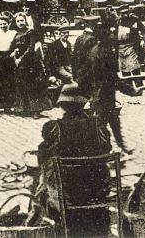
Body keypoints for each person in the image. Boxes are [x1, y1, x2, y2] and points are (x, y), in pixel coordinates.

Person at [34, 84, 112, 238]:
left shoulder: (54, 128)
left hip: (67, 194)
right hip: (96, 192)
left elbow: (42, 156)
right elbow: (106, 148)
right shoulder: (98, 126)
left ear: (62, 105)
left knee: (41, 186)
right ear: (84, 104)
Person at [79, 14, 133, 155]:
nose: (112, 36)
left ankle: (121, 146)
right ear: (105, 37)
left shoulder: (98, 49)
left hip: (102, 93)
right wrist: (131, 90)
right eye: (110, 34)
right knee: (102, 124)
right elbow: (112, 78)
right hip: (103, 94)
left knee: (114, 122)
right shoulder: (103, 53)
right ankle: (104, 152)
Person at [10, 12, 51, 117]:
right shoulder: (17, 34)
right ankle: (24, 109)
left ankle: (35, 111)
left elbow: (31, 48)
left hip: (31, 63)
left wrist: (21, 59)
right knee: (22, 85)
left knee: (32, 86)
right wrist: (14, 52)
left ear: (25, 21)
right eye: (18, 21)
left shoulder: (31, 32)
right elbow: (14, 46)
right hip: (20, 64)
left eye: (22, 20)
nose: (20, 23)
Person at [116, 8, 145, 91]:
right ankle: (128, 86)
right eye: (121, 14)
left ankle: (139, 84)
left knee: (134, 66)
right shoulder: (117, 21)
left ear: (128, 13)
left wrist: (142, 39)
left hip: (131, 46)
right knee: (124, 67)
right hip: (120, 47)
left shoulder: (134, 20)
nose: (123, 15)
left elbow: (144, 30)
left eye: (125, 13)